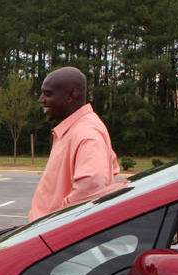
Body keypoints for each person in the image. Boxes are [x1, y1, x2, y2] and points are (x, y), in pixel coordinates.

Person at [29, 67, 119, 220]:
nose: (41, 99)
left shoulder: (86, 133)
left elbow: (92, 184)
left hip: (55, 237)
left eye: (48, 94)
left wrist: (57, 221)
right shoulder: (75, 129)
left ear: (72, 96)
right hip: (46, 234)